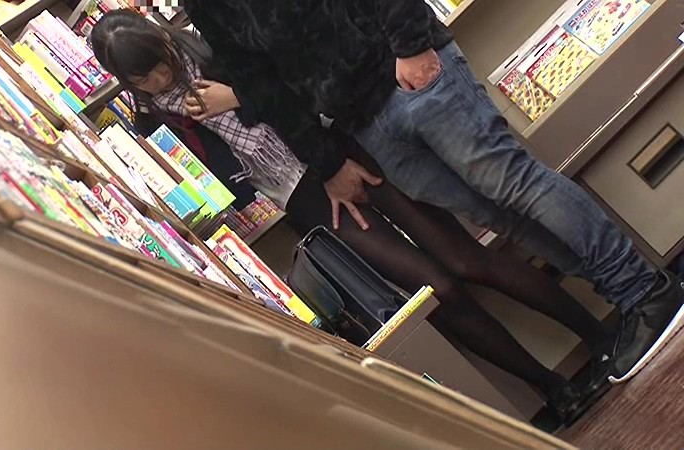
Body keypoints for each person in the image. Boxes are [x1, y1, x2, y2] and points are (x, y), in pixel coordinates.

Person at [90, 9, 618, 425]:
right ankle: (552, 387)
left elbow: (296, 80)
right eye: (144, 76)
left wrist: (240, 97)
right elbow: (214, 184)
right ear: (126, 80)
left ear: (163, 39)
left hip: (340, 149)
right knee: (435, 291)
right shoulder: (150, 119)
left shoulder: (211, 47)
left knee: (466, 259)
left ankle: (600, 338)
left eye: (159, 61)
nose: (160, 77)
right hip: (302, 197)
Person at [180, 0, 684, 385]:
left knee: (515, 184)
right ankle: (628, 296)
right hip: (361, 121)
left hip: (408, 68)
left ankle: (644, 291)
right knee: (500, 214)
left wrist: (411, 43)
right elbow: (260, 81)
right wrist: (327, 160)